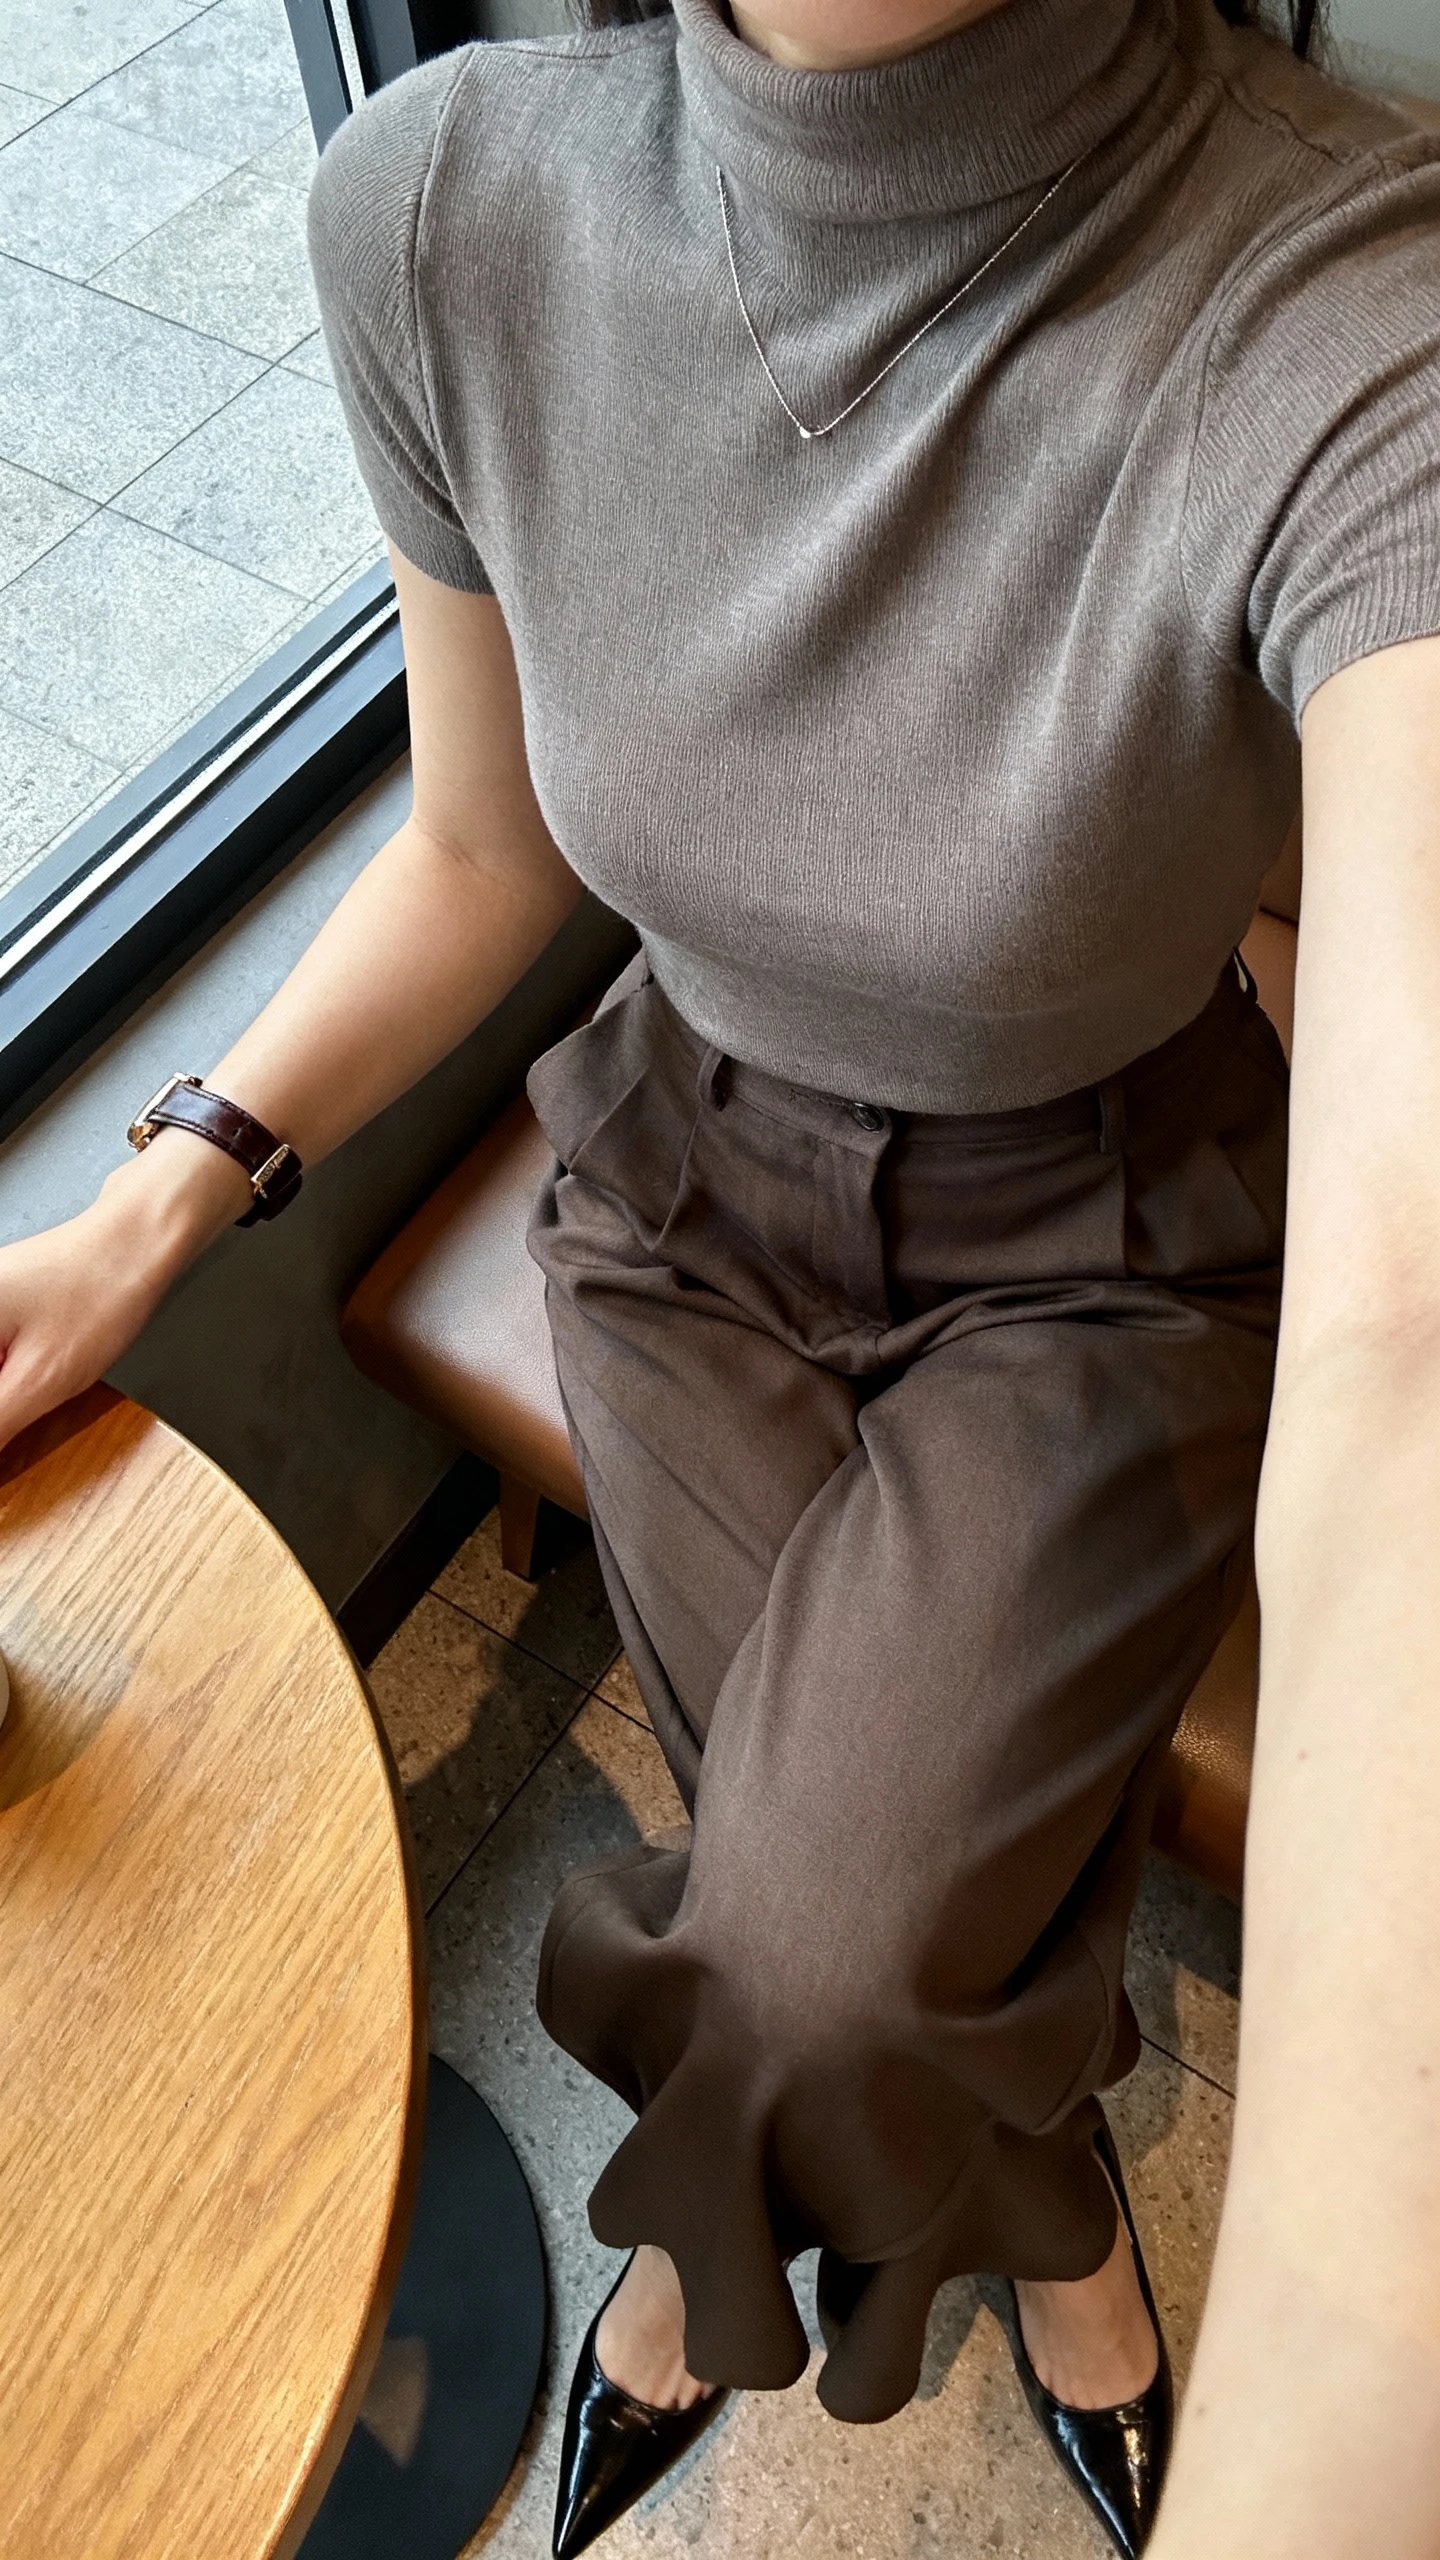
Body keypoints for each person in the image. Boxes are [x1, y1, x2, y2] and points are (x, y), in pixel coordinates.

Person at [0, 0, 1436, 2549]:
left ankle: (695, 2223)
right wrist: (157, 1192)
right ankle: (1057, 2180)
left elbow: (1409, 1332)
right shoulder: (443, 207)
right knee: (861, 1893)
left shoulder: (1344, 294)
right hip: (679, 1191)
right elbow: (478, 847)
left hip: (1096, 1232)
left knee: (822, 1973)